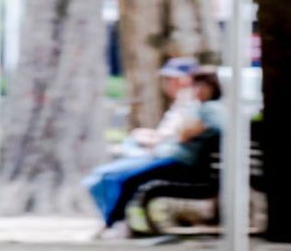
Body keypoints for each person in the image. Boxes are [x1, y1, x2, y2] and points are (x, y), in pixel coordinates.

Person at [83, 68, 223, 238]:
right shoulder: (203, 108)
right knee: (115, 177)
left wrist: (184, 123)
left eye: (201, 86)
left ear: (212, 87)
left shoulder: (209, 109)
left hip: (183, 164)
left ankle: (114, 224)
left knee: (124, 180)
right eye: (195, 86)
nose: (197, 90)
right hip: (175, 159)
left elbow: (184, 134)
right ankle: (114, 223)